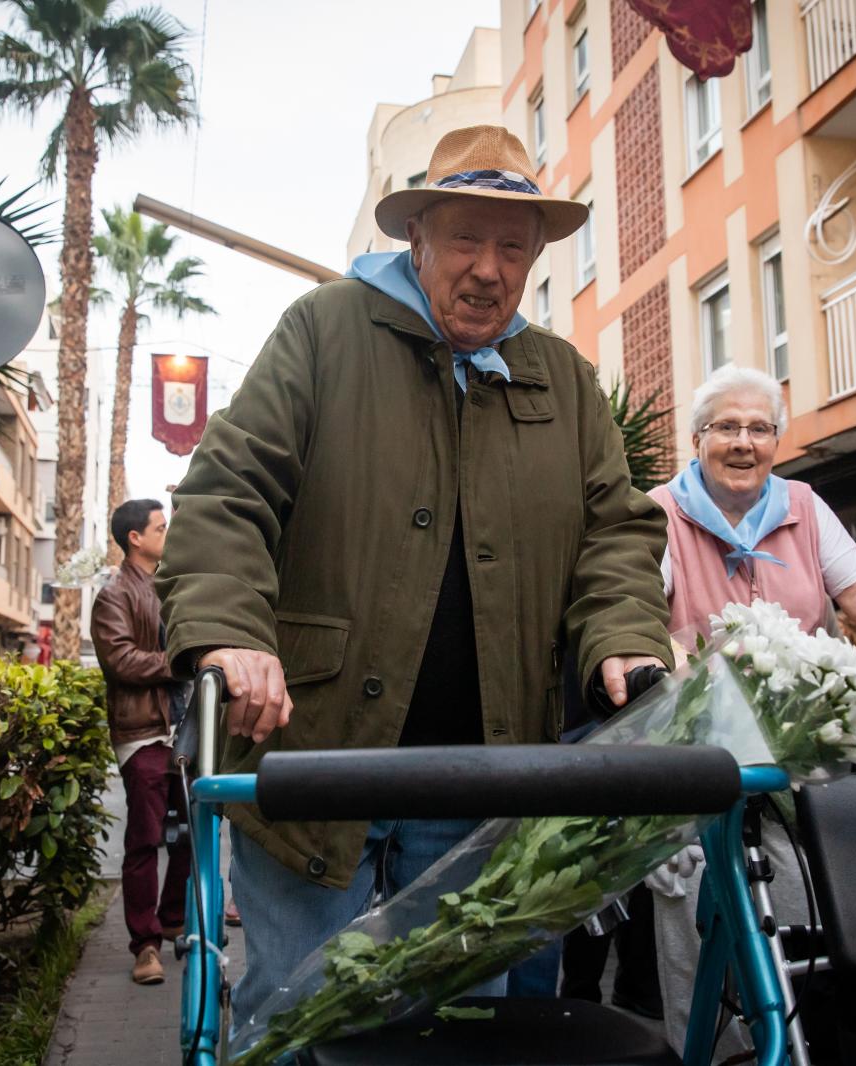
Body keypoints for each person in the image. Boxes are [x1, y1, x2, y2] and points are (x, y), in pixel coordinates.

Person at [156, 125, 675, 1027]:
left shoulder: (563, 378)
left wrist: (625, 639)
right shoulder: (325, 330)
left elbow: (615, 534)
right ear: (417, 238)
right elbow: (229, 490)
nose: (488, 267)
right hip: (317, 766)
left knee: (450, 1035)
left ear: (538, 255)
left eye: (512, 245)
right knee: (292, 1020)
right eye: (466, 240)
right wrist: (232, 632)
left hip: (483, 783)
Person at [644, 366, 856, 1058]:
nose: (744, 442)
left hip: (795, 754)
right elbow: (642, 615)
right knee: (692, 918)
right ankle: (707, 1052)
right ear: (698, 438)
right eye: (727, 427)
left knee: (799, 913)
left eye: (759, 428)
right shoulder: (661, 513)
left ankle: (795, 1043)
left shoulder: (802, 504)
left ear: (776, 440)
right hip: (693, 752)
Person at [90, 499, 186, 986]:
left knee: (193, 831)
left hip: (182, 728)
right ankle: (145, 945)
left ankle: (172, 919)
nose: (166, 534)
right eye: (160, 528)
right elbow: (121, 662)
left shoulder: (169, 584)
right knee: (145, 840)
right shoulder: (114, 594)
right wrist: (177, 662)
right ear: (135, 537)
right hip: (143, 732)